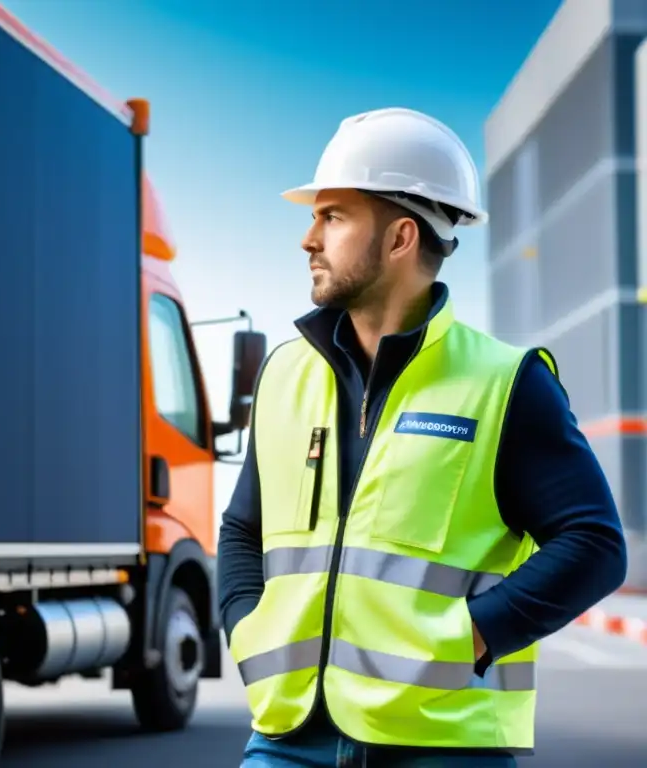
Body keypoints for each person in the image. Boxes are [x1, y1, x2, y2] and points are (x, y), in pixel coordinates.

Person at [217, 107, 628, 768]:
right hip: (287, 741)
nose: (308, 239)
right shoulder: (283, 375)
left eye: (333, 216)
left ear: (401, 237)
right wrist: (245, 628)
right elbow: (243, 529)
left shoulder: (506, 383)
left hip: (442, 746)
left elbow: (595, 546)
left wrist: (475, 635)